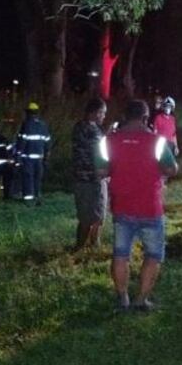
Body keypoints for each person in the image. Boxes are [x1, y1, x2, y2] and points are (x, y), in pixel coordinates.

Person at [97, 99, 178, 312]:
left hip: (122, 206)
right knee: (153, 255)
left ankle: (123, 298)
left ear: (124, 116)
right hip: (150, 207)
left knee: (120, 254)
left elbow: (100, 172)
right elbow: (172, 169)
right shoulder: (158, 141)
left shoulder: (109, 141)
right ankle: (141, 299)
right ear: (145, 118)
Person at [72, 97, 108, 251]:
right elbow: (99, 155)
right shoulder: (94, 131)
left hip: (79, 177)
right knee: (97, 215)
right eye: (103, 113)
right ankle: (91, 246)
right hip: (94, 178)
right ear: (96, 112)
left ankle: (81, 246)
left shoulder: (78, 127)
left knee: (84, 215)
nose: (104, 116)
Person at [15, 102, 52, 204]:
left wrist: (18, 157)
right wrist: (47, 155)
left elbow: (21, 142)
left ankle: (28, 199)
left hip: (28, 158)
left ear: (28, 113)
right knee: (37, 178)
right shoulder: (43, 125)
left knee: (28, 178)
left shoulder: (26, 125)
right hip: (39, 158)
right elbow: (47, 141)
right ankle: (37, 196)